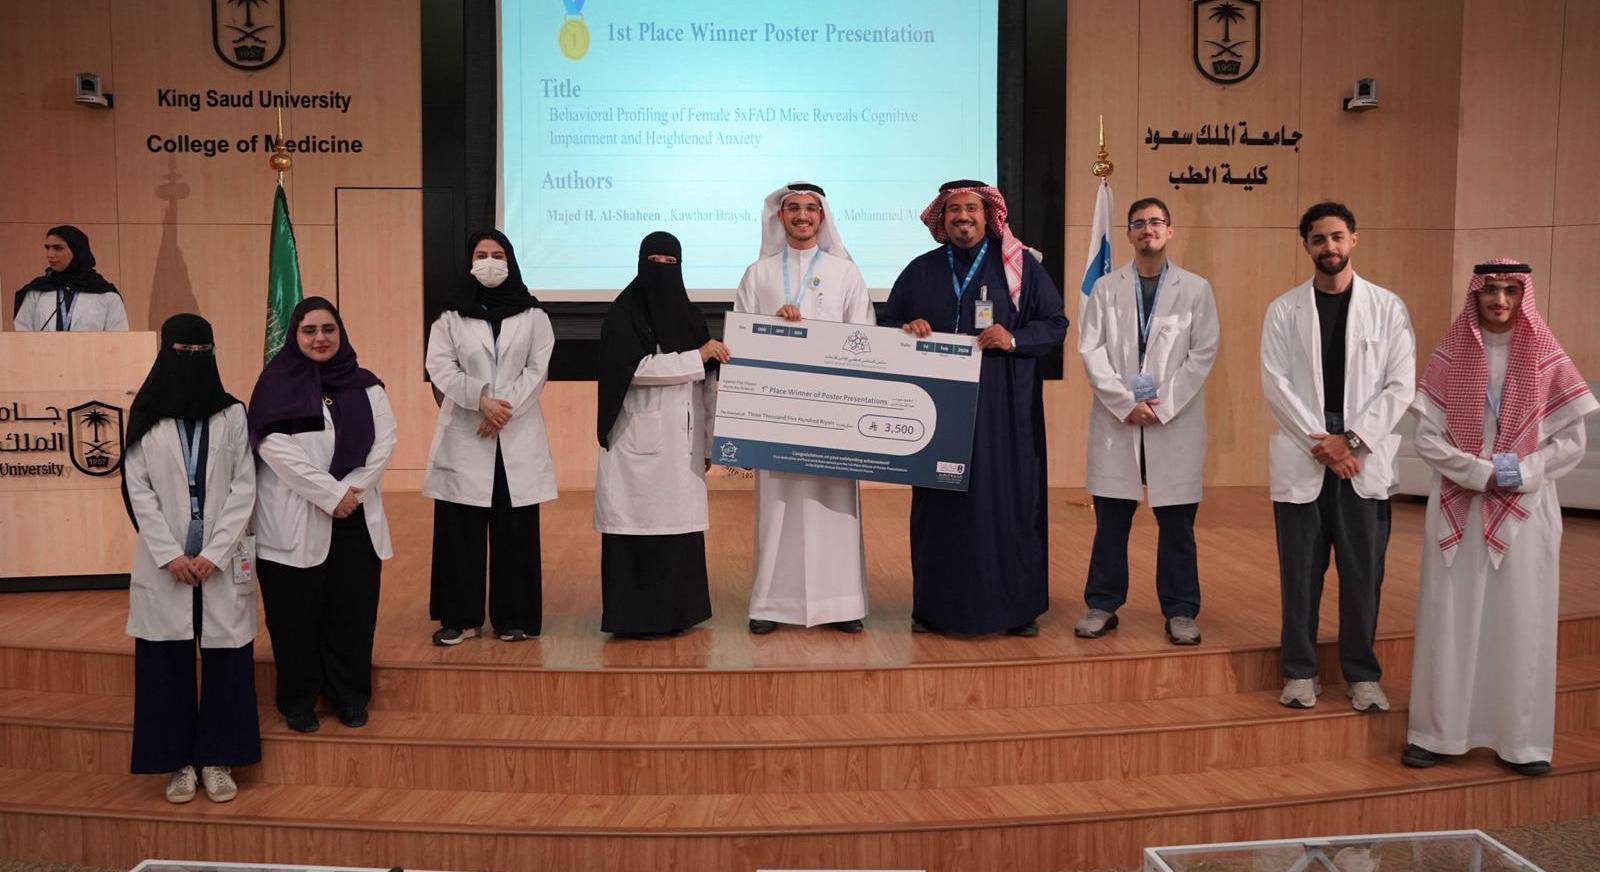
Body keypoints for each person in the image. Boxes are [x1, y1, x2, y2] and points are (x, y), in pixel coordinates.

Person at [1403, 260, 1597, 776]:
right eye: (1491, 290)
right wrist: (1477, 472)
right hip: (1459, 504)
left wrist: (1518, 474)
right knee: (1450, 617)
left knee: (1522, 619)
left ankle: (1522, 743)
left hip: (1526, 509)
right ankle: (1436, 734)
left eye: (1511, 291)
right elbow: (1426, 438)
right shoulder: (1451, 356)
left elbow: (1571, 442)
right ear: (1476, 294)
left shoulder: (1546, 357)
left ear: (1523, 296)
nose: (1501, 300)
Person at [880, 180, 1068, 636]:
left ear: (989, 216)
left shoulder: (1019, 267)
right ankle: (934, 609)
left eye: (972, 209)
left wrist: (1014, 337)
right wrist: (907, 328)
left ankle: (1016, 609)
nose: (963, 216)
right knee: (940, 508)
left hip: (1004, 411)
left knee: (1008, 501)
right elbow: (887, 323)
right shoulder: (921, 270)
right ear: (941, 219)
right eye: (953, 210)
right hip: (938, 412)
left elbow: (1055, 323)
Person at [1260, 202, 1415, 711]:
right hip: (1306, 454)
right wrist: (1327, 445)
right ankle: (1299, 672)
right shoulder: (1284, 310)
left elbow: (1400, 385)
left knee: (1363, 575)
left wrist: (1351, 441)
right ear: (1306, 245)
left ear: (1354, 239)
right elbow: (1276, 385)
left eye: (1337, 237)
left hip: (1363, 461)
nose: (1329, 247)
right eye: (1318, 239)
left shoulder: (1388, 308)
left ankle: (1362, 675)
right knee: (1300, 576)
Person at [121, 314, 257, 804]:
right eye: (184, 352)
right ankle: (177, 762)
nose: (195, 360)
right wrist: (170, 555)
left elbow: (245, 485)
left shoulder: (232, 413)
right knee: (164, 662)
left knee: (227, 659)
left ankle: (218, 759)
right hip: (167, 565)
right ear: (165, 353)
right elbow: (137, 489)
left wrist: (215, 553)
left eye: (203, 353)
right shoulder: (146, 414)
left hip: (220, 561)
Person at [1075, 197, 1219, 646]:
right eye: (1138, 223)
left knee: (1177, 525)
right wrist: (1125, 403)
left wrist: (1162, 406)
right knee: (1111, 522)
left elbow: (1203, 353)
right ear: (1129, 234)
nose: (1147, 229)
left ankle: (1181, 610)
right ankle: (1102, 604)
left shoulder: (1196, 289)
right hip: (1118, 421)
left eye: (1156, 222)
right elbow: (1090, 350)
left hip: (1172, 422)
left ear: (1169, 231)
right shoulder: (1106, 288)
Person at [734, 182, 876, 635]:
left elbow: (864, 339)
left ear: (822, 217)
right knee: (777, 508)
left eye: (810, 208)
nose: (801, 215)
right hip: (776, 413)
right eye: (792, 208)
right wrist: (773, 328)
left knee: (835, 508)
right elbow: (739, 340)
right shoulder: (757, 274)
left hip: (833, 413)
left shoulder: (845, 273)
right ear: (780, 217)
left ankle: (842, 605)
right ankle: (771, 604)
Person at [249, 297, 396, 733]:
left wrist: (352, 492)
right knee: (293, 618)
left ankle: (349, 695)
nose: (320, 338)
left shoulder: (367, 386)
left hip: (356, 517)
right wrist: (331, 494)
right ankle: (298, 700)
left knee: (353, 613)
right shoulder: (275, 386)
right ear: (294, 335)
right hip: (294, 521)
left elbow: (385, 443)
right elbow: (274, 447)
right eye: (309, 330)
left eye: (328, 329)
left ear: (341, 332)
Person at [423, 230, 557, 645]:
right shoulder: (449, 316)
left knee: (514, 529)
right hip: (466, 431)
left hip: (515, 430)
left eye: (497, 255)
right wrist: (480, 400)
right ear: (470, 262)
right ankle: (460, 618)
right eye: (481, 255)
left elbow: (537, 370)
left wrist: (501, 411)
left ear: (510, 261)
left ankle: (514, 617)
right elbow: (440, 367)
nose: (489, 262)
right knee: (460, 530)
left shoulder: (534, 315)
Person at [594, 232, 724, 638]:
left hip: (683, 445)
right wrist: (695, 356)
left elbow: (707, 386)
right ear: (640, 263)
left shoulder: (692, 317)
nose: (663, 271)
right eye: (655, 262)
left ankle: (677, 614)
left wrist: (709, 442)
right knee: (637, 526)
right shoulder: (624, 314)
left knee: (679, 527)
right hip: (636, 442)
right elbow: (634, 369)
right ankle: (633, 618)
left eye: (671, 263)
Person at [11, 225, 128, 331]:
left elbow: (119, 340)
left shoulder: (107, 294)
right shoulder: (36, 291)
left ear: (76, 250)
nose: (50, 254)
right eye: (47, 248)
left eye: (57, 248)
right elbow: (22, 336)